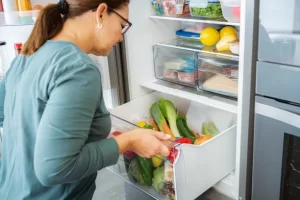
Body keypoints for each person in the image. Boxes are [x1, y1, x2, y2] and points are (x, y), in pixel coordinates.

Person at [0, 0, 170, 199]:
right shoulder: (78, 69)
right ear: (101, 13)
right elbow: (54, 168)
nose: (121, 38)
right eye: (122, 26)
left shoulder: (28, 54)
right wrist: (129, 141)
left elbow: (10, 117)